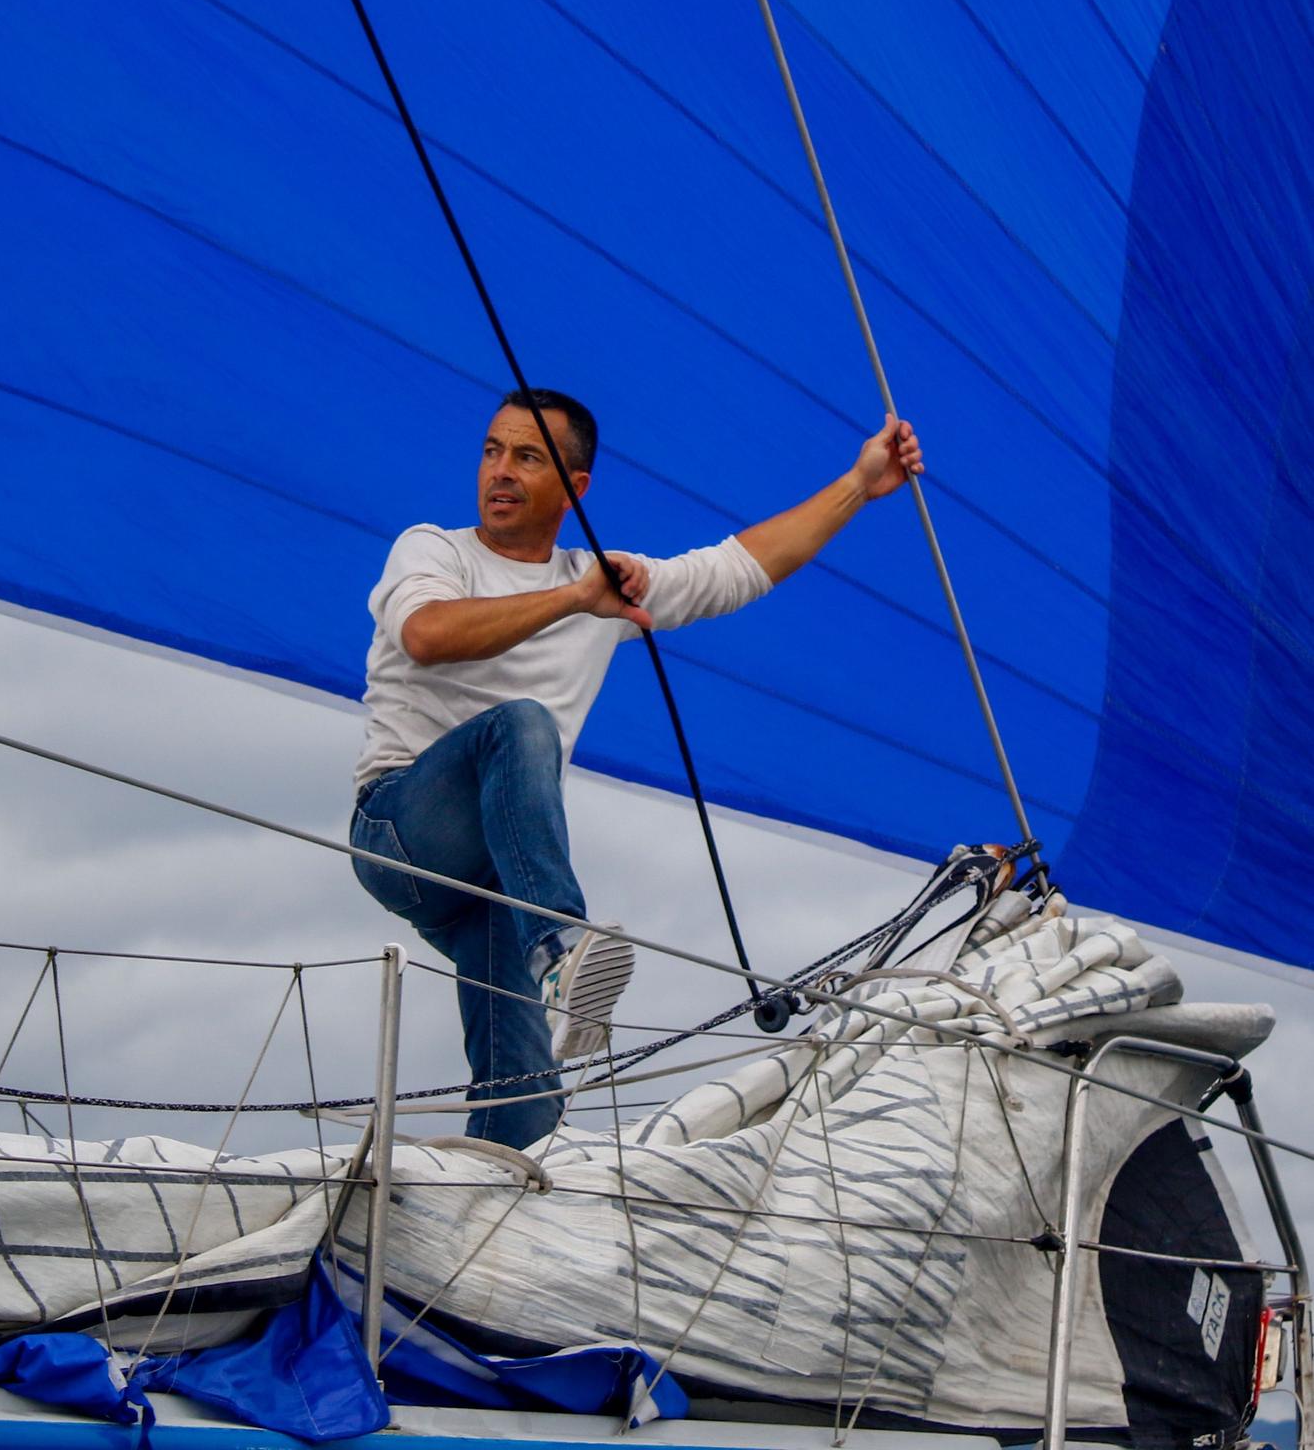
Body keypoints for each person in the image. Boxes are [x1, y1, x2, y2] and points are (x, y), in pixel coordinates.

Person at [350, 387, 924, 1149]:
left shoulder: (599, 579)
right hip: (398, 828)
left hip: (494, 880)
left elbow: (736, 570)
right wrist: (575, 600)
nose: (501, 471)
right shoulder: (435, 551)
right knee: (521, 726)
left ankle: (496, 1201)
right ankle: (560, 947)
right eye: (493, 450)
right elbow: (426, 635)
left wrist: (859, 485)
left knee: (525, 1099)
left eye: (526, 457)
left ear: (575, 488)